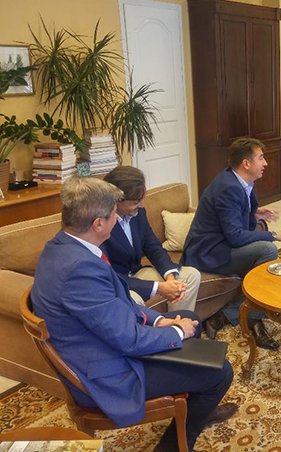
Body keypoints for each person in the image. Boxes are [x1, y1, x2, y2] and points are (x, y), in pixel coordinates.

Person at [31, 177, 236, 452]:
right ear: (98, 224)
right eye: (113, 213)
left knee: (191, 320)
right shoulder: (80, 269)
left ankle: (195, 409)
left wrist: (160, 320)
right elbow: (129, 339)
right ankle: (172, 446)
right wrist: (176, 331)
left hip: (103, 344)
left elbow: (117, 301)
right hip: (109, 372)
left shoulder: (62, 247)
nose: (117, 218)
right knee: (220, 372)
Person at [181, 137, 281, 350]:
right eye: (261, 158)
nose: (265, 163)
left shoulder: (238, 181)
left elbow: (231, 219)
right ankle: (253, 318)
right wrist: (276, 235)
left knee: (263, 253)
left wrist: (253, 212)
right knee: (267, 249)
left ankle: (226, 313)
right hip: (207, 253)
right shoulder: (228, 187)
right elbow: (236, 237)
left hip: (220, 245)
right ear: (246, 163)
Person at [101, 166, 201, 314]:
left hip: (138, 273)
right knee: (133, 300)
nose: (141, 205)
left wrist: (170, 278)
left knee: (191, 276)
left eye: (142, 199)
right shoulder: (100, 224)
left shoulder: (138, 213)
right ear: (116, 201)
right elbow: (109, 275)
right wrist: (159, 287)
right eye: (136, 202)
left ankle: (177, 325)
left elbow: (153, 247)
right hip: (117, 283)